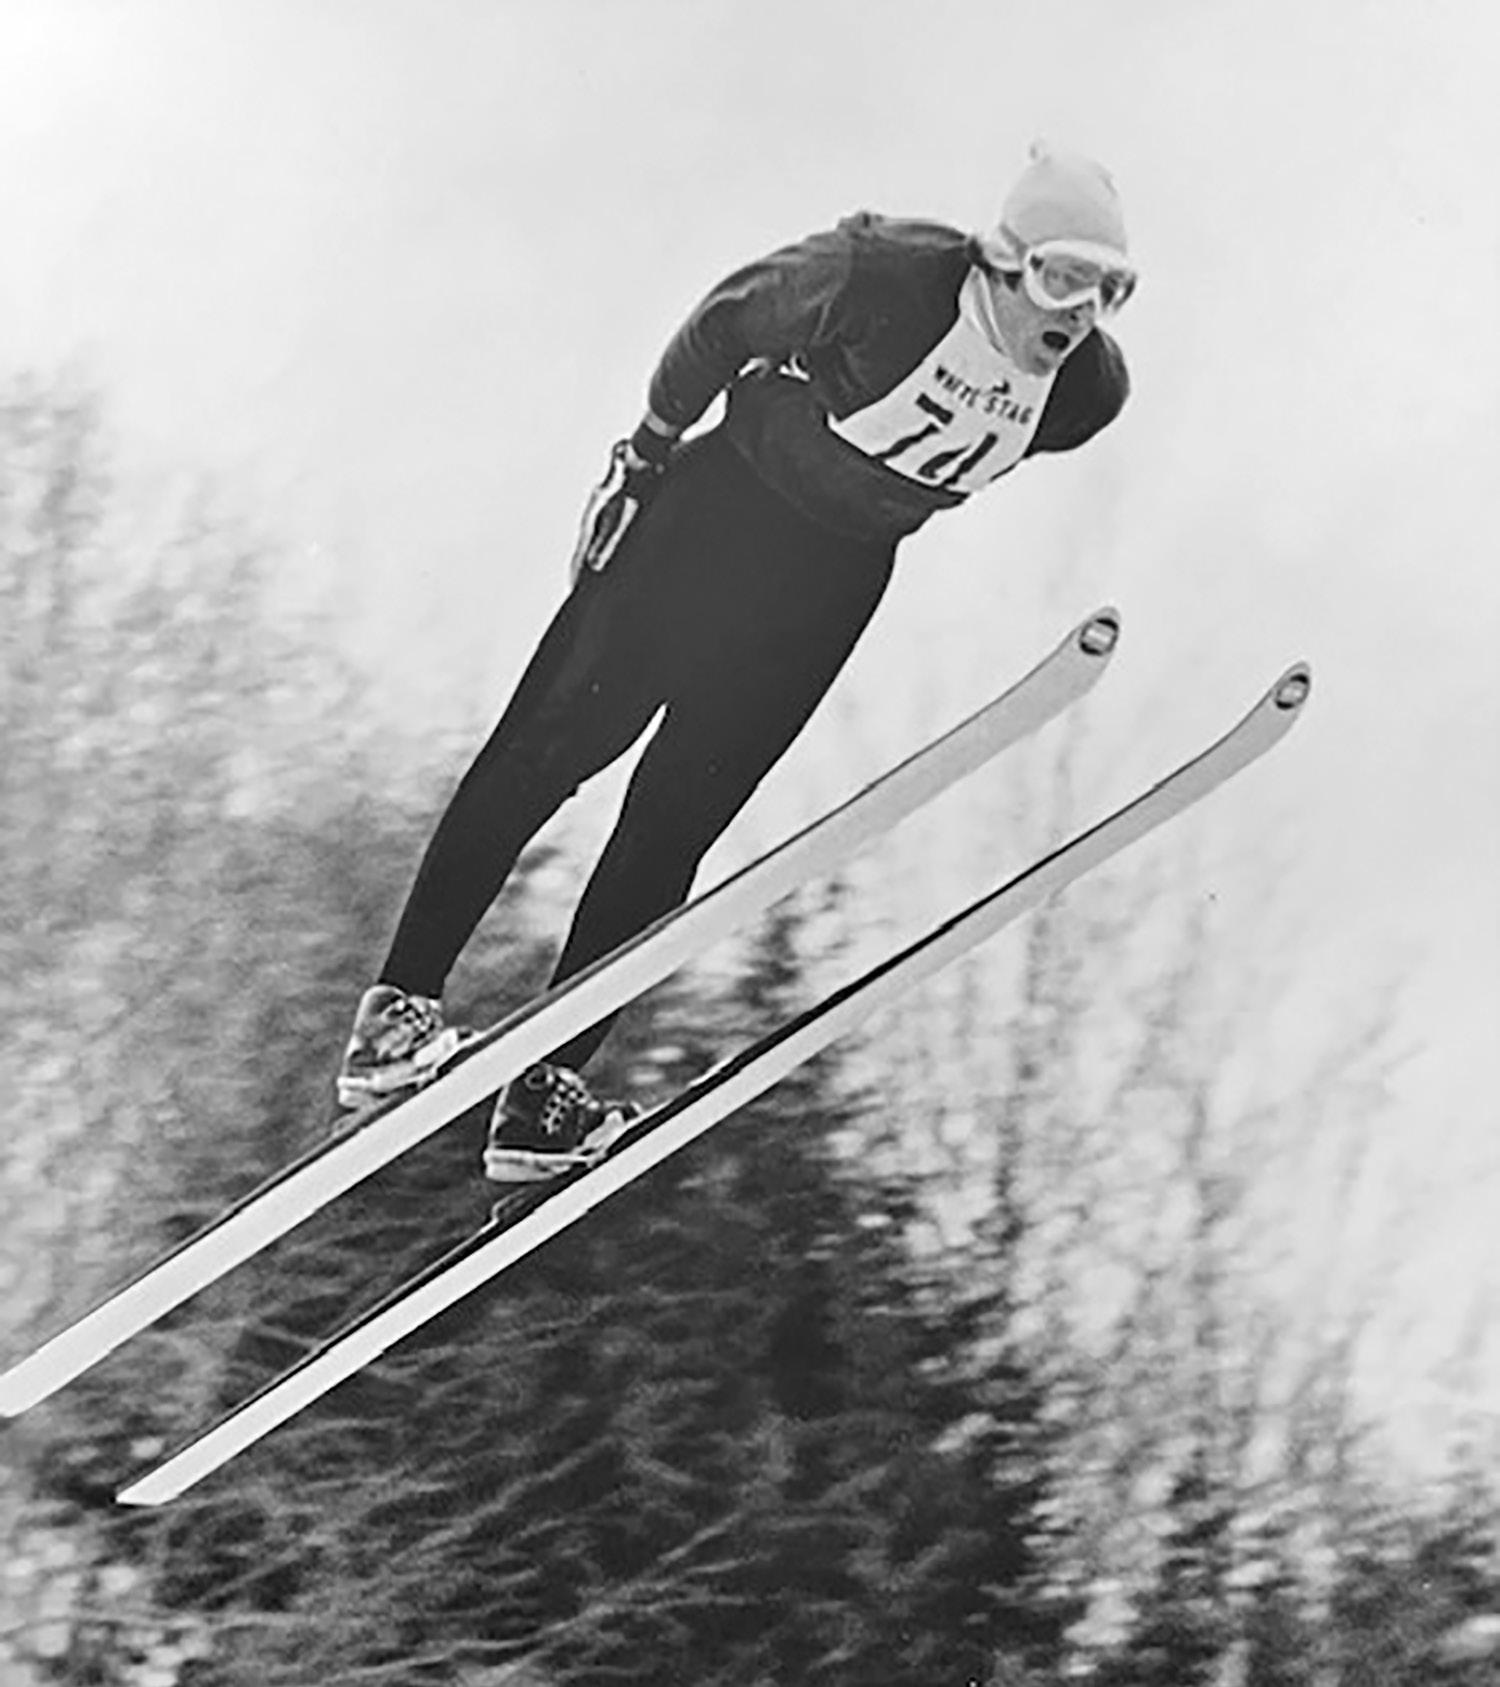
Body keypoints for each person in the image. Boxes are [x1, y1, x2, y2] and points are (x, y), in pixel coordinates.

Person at [335, 141, 1136, 1183]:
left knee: (674, 826)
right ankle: (398, 1012)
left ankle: (545, 1089)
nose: (1077, 314)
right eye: (1062, 278)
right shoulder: (886, 277)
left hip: (831, 586)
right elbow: (723, 322)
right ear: (1004, 259)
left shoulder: (1085, 393)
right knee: (553, 747)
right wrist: (643, 456)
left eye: (1107, 291)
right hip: (717, 518)